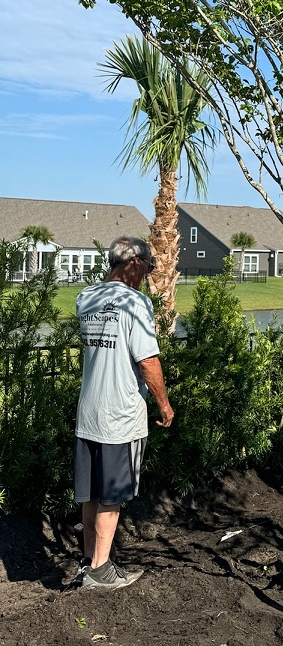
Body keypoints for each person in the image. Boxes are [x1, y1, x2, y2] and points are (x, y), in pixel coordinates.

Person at [74, 236, 174, 589]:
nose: (149, 273)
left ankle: (90, 562)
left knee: (93, 493)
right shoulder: (136, 303)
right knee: (112, 495)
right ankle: (101, 572)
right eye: (149, 266)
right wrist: (164, 405)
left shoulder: (86, 298)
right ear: (134, 263)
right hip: (119, 415)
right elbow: (147, 361)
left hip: (89, 413)